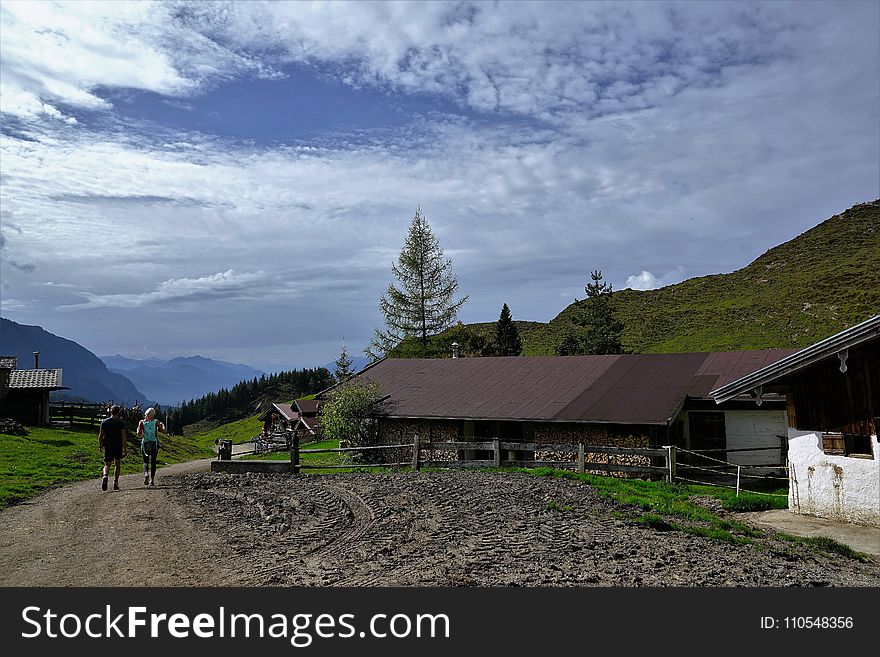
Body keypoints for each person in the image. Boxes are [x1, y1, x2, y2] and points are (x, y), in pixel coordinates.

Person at [98, 405, 127, 491]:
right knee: (117, 464)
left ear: (110, 412)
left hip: (108, 445)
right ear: (118, 412)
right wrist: (125, 448)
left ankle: (105, 476)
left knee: (107, 464)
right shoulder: (121, 422)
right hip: (118, 446)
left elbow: (101, 435)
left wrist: (100, 444)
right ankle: (115, 483)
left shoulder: (104, 422)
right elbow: (123, 436)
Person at [137, 407, 165, 486]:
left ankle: (146, 474)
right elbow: (163, 431)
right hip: (154, 443)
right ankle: (152, 480)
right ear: (153, 415)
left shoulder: (141, 422)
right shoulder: (156, 421)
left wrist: (138, 430)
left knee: (145, 461)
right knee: (153, 462)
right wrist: (162, 425)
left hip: (145, 443)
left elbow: (139, 434)